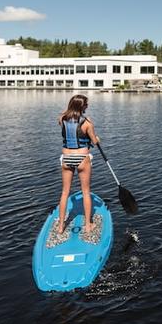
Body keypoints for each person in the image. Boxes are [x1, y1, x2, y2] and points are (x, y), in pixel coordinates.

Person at [57, 94, 100, 235]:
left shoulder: (62, 119)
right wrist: (96, 137)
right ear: (82, 107)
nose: (87, 106)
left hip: (66, 158)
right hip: (82, 158)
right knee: (86, 192)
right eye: (86, 105)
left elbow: (66, 114)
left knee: (65, 192)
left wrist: (70, 110)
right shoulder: (87, 123)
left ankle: (60, 227)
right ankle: (88, 226)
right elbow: (94, 141)